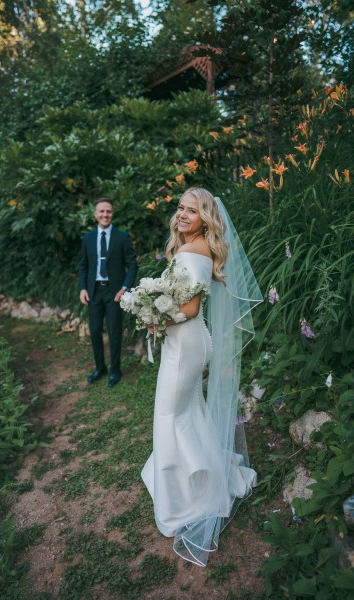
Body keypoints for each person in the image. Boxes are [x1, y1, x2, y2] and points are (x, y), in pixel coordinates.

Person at [141, 188, 262, 566]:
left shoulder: (194, 252)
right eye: (180, 208)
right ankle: (201, 478)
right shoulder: (191, 248)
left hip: (186, 343)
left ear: (205, 218)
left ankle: (181, 501)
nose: (182, 215)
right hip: (188, 343)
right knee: (187, 411)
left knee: (168, 414)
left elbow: (190, 309)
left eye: (191, 211)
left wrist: (154, 316)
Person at [79, 197, 138, 387]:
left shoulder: (122, 237)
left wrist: (124, 288)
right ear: (95, 214)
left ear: (112, 214)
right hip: (94, 291)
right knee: (95, 331)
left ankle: (115, 370)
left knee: (114, 332)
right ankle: (100, 367)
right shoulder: (87, 239)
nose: (105, 215)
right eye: (102, 211)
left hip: (114, 293)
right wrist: (82, 288)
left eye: (109, 211)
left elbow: (132, 264)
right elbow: (83, 266)